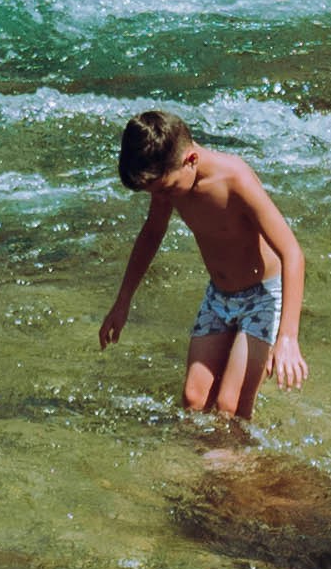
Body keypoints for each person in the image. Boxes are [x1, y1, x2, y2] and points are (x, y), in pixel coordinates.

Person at [93, 108, 305, 425]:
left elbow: (292, 253)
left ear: (190, 160)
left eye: (165, 190)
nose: (161, 197)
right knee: (193, 400)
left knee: (229, 407)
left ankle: (242, 457)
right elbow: (152, 233)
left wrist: (288, 337)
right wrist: (122, 301)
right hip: (218, 297)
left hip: (262, 297)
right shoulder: (169, 180)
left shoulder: (235, 179)